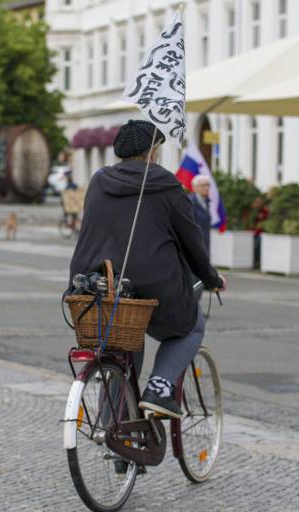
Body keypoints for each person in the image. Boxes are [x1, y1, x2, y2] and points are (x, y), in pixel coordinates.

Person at [69, 119, 226, 419]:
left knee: (123, 341)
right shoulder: (166, 184)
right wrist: (211, 278)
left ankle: (110, 426)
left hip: (101, 282)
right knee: (192, 326)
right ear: (152, 152)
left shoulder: (99, 181)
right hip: (156, 285)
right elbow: (191, 241)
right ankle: (159, 387)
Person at [189, 174, 211, 255]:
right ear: (195, 187)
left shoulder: (207, 201)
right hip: (195, 242)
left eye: (208, 185)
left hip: (205, 241)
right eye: (203, 185)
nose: (207, 188)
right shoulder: (190, 201)